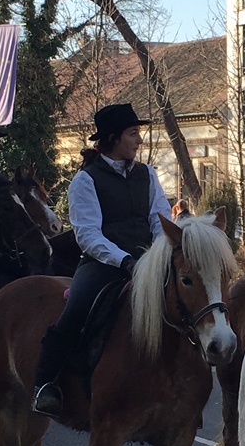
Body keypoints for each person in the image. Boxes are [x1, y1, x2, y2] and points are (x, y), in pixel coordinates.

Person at [31, 102, 171, 415]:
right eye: (133, 134)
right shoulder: (85, 180)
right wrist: (124, 261)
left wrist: (160, 255)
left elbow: (160, 220)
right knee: (76, 311)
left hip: (148, 261)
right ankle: (46, 383)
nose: (139, 140)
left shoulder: (148, 174)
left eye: (138, 133)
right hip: (103, 264)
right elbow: (88, 235)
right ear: (112, 138)